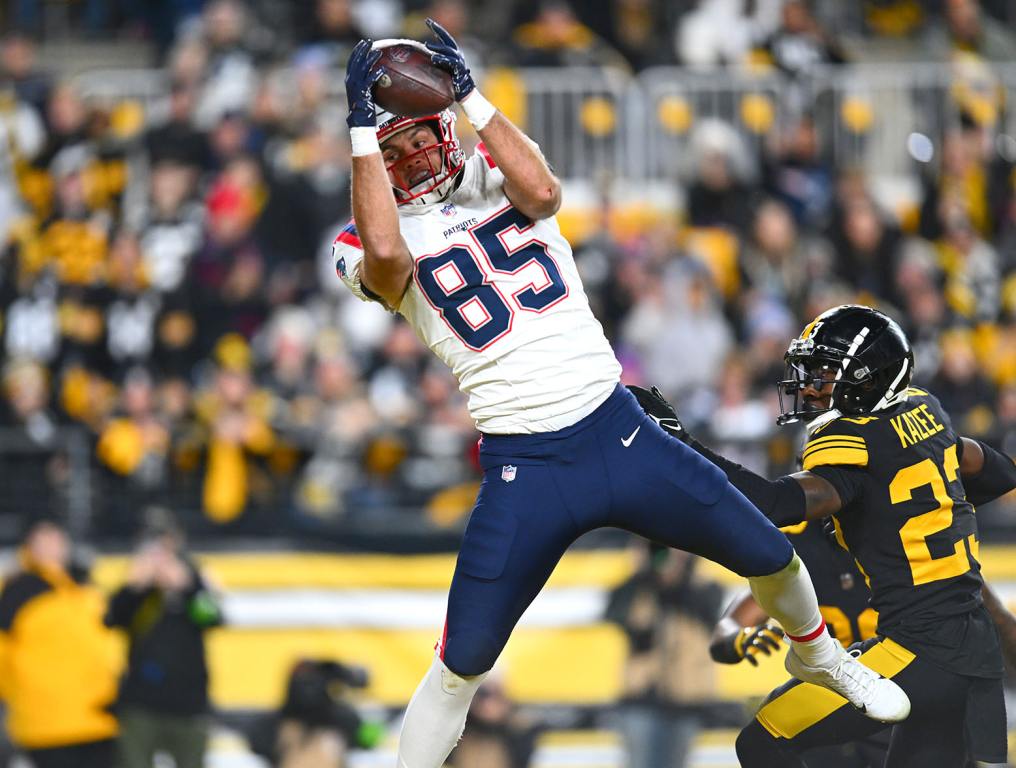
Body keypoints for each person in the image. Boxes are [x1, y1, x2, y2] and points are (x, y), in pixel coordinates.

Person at [337, 25, 909, 768]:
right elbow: (384, 257)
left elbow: (543, 191)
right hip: (527, 462)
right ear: (373, 163)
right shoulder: (363, 238)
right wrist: (358, 120)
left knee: (770, 555)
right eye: (396, 149)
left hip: (617, 429)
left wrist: (470, 90)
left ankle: (820, 659)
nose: (415, 156)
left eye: (421, 138)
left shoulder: (496, 171)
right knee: (463, 660)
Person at [629, 304, 1016, 767]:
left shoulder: (855, 445)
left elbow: (774, 505)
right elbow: (997, 474)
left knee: (761, 739)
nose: (810, 384)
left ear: (869, 377)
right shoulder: (925, 416)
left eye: (826, 371)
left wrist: (683, 446)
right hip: (974, 655)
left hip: (917, 653)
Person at [105, 510, 223, 768]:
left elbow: (213, 619)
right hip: (141, 703)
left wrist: (189, 586)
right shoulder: (138, 583)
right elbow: (111, 618)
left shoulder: (195, 577)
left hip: (188, 703)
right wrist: (135, 587)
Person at [0, 518, 121, 768]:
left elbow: (106, 642)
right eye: (44, 539)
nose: (52, 546)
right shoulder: (17, 589)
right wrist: (18, 696)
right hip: (47, 720)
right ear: (29, 545)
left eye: (57, 539)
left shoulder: (82, 586)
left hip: (98, 716)